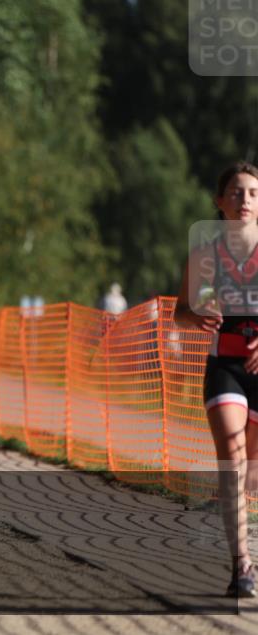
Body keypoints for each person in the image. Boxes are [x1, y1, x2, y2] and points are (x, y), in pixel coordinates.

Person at [174, 161, 258, 598]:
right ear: (219, 202)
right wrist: (196, 315)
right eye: (236, 192)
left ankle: (235, 516)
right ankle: (242, 566)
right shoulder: (206, 256)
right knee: (232, 452)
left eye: (252, 193)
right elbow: (179, 313)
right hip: (225, 367)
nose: (244, 200)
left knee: (251, 475)